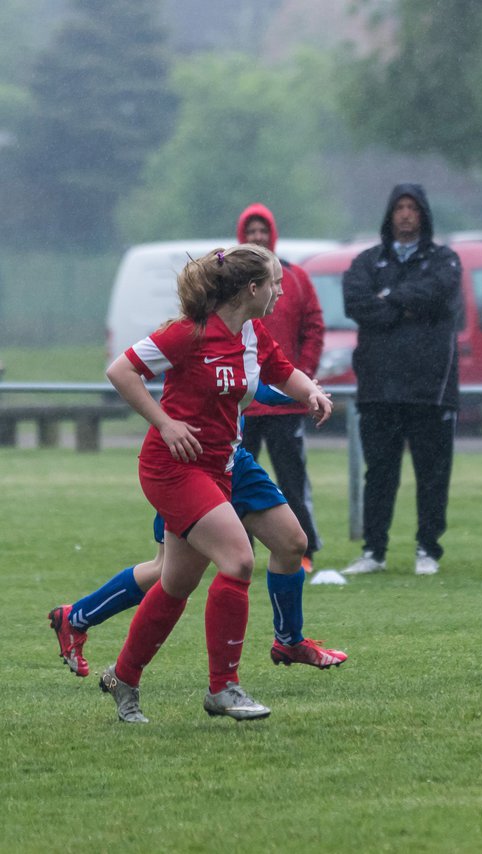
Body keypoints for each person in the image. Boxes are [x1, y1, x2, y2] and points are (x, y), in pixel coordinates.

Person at [101, 244, 332, 723]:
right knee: (239, 558)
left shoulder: (251, 332)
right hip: (174, 466)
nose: (279, 291)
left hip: (225, 463)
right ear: (251, 289)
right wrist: (165, 423)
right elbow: (120, 371)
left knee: (191, 578)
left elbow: (281, 371)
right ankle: (223, 688)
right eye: (273, 283)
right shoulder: (188, 334)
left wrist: (310, 391)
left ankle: (124, 679)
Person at [49, 385, 347, 680]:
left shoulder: (243, 338)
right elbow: (128, 371)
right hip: (191, 466)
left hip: (234, 462)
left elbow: (252, 381)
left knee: (292, 544)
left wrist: (304, 390)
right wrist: (297, 393)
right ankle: (78, 620)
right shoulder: (191, 337)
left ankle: (289, 641)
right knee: (167, 572)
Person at [340, 184, 462, 578]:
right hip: (379, 388)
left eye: (412, 207)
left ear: (423, 214)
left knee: (432, 474)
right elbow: (356, 304)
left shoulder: (444, 260)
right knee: (380, 473)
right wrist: (405, 307)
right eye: (399, 207)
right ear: (390, 214)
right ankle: (374, 551)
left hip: (431, 390)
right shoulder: (366, 261)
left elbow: (438, 293)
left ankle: (428, 548)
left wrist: (387, 299)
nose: (406, 214)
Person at [237, 203, 326, 572]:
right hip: (241, 404)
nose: (258, 236)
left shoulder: (296, 278)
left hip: (285, 404)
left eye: (263, 230)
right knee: (234, 479)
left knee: (291, 479)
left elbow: (314, 328)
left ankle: (302, 550)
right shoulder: (232, 285)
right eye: (251, 231)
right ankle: (238, 550)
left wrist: (301, 379)